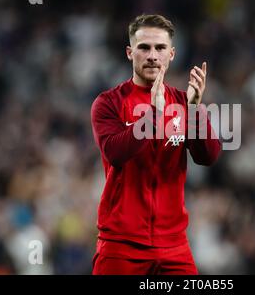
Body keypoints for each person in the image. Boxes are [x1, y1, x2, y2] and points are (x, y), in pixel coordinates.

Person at [90, 14, 222, 275]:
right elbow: (115, 153)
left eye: (160, 48)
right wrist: (154, 115)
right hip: (121, 246)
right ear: (130, 52)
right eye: (144, 47)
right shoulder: (108, 103)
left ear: (171, 54)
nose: (152, 55)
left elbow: (208, 156)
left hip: (174, 246)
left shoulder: (184, 103)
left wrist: (194, 109)